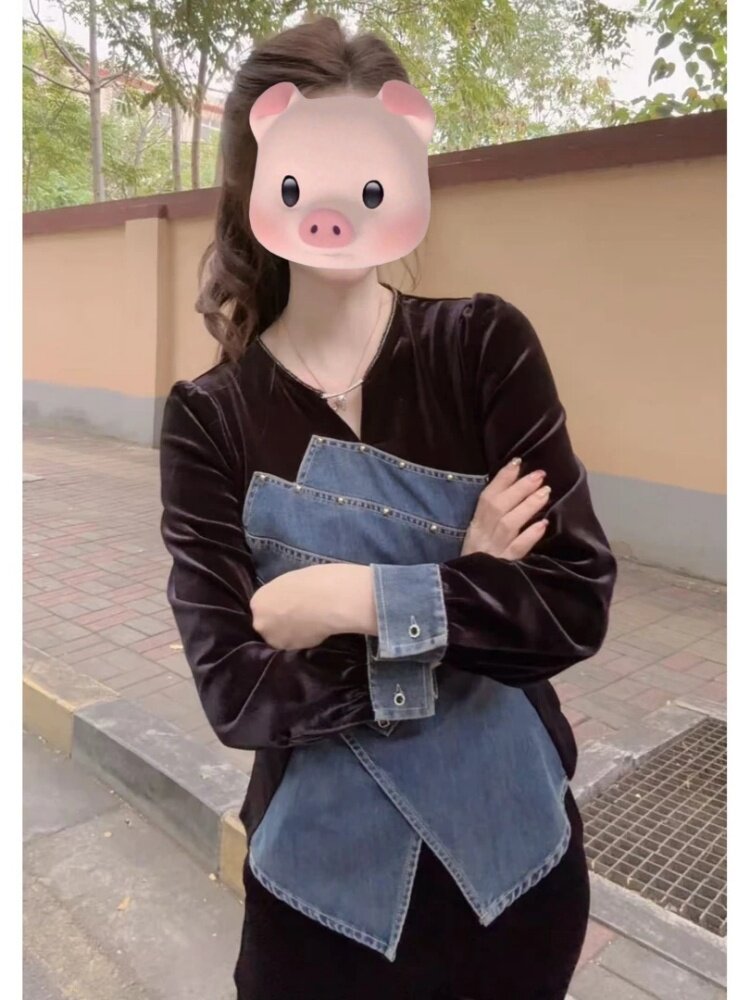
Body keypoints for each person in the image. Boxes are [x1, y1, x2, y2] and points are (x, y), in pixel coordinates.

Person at [159, 16, 617, 1000]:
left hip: (516, 878)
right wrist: (468, 583)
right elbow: (239, 692)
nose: (336, 207)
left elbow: (573, 600)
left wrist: (348, 598)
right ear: (257, 174)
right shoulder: (211, 418)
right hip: (316, 903)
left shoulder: (482, 349)